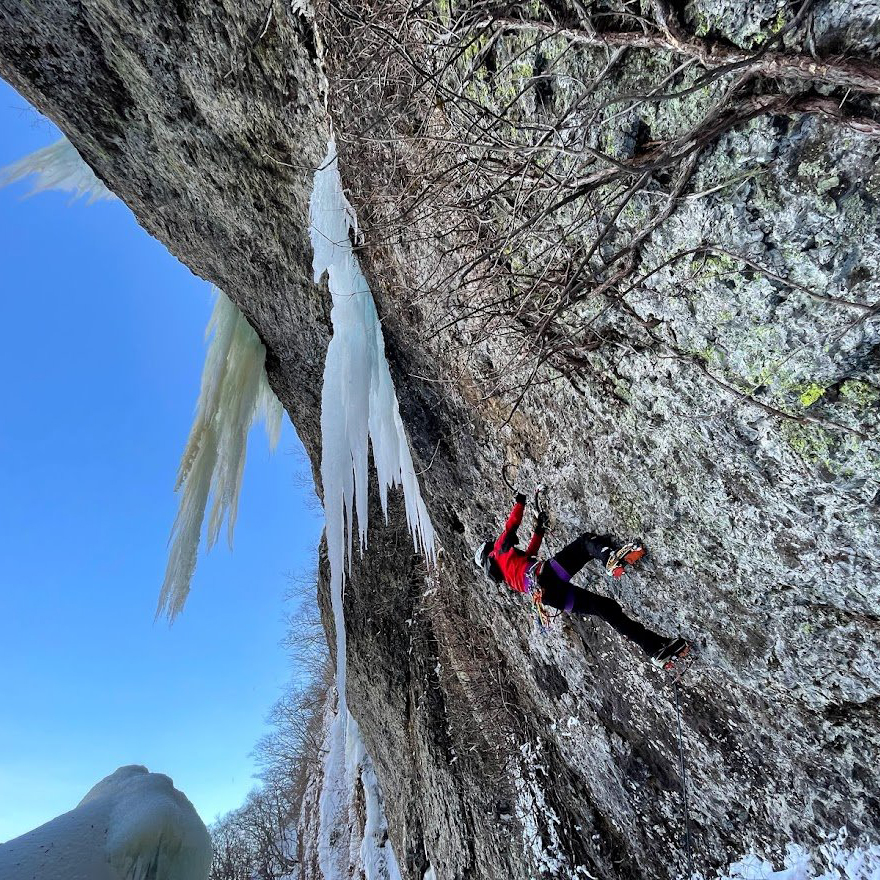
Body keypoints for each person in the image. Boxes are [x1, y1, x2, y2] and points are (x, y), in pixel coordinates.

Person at [474, 492, 689, 667]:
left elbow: (529, 554)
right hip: (546, 575)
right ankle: (610, 558)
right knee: (586, 543)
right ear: (488, 553)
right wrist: (520, 501)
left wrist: (539, 531)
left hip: (548, 597)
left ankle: (654, 648)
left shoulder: (507, 574)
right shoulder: (497, 552)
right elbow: (511, 526)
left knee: (605, 608)